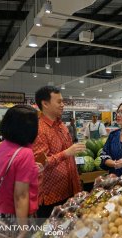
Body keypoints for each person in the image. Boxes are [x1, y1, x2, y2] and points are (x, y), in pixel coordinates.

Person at [33, 86, 86, 219]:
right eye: (59, 102)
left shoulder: (61, 125)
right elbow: (40, 164)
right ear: (45, 103)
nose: (63, 105)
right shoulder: (39, 130)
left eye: (63, 101)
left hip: (69, 190)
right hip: (51, 196)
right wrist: (66, 153)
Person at [0, 105, 39, 238]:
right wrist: (22, 229)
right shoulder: (25, 153)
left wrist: (32, 169)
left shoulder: (1, 147)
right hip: (14, 217)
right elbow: (20, 195)